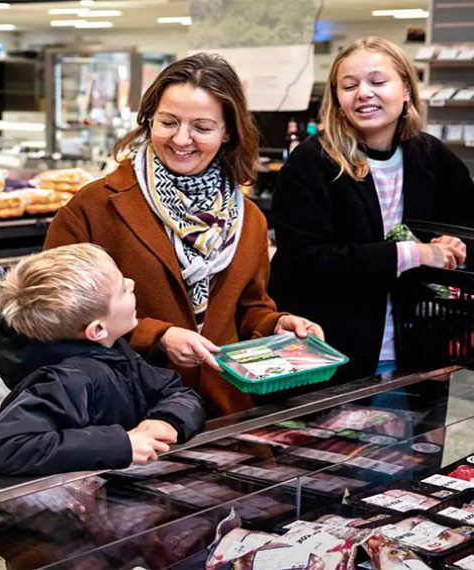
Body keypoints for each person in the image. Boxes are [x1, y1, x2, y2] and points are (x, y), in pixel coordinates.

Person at [39, 53, 322, 416]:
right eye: (168, 122)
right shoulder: (96, 207)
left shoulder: (247, 219)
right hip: (128, 418)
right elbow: (54, 314)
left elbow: (249, 309)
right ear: (148, 120)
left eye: (202, 127)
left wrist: (276, 325)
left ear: (228, 132)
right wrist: (156, 337)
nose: (181, 139)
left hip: (222, 412)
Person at [269, 37, 474, 382]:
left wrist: (459, 247)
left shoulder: (431, 157)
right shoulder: (312, 163)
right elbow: (306, 261)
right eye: (349, 86)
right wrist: (415, 254)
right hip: (329, 357)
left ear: (406, 88)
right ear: (337, 99)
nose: (363, 93)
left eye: (378, 82)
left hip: (420, 355)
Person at [0, 244, 207, 478]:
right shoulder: (65, 379)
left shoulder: (114, 351)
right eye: (121, 290)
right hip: (69, 507)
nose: (131, 283)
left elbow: (177, 393)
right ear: (97, 330)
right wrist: (122, 445)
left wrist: (166, 421)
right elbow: (6, 449)